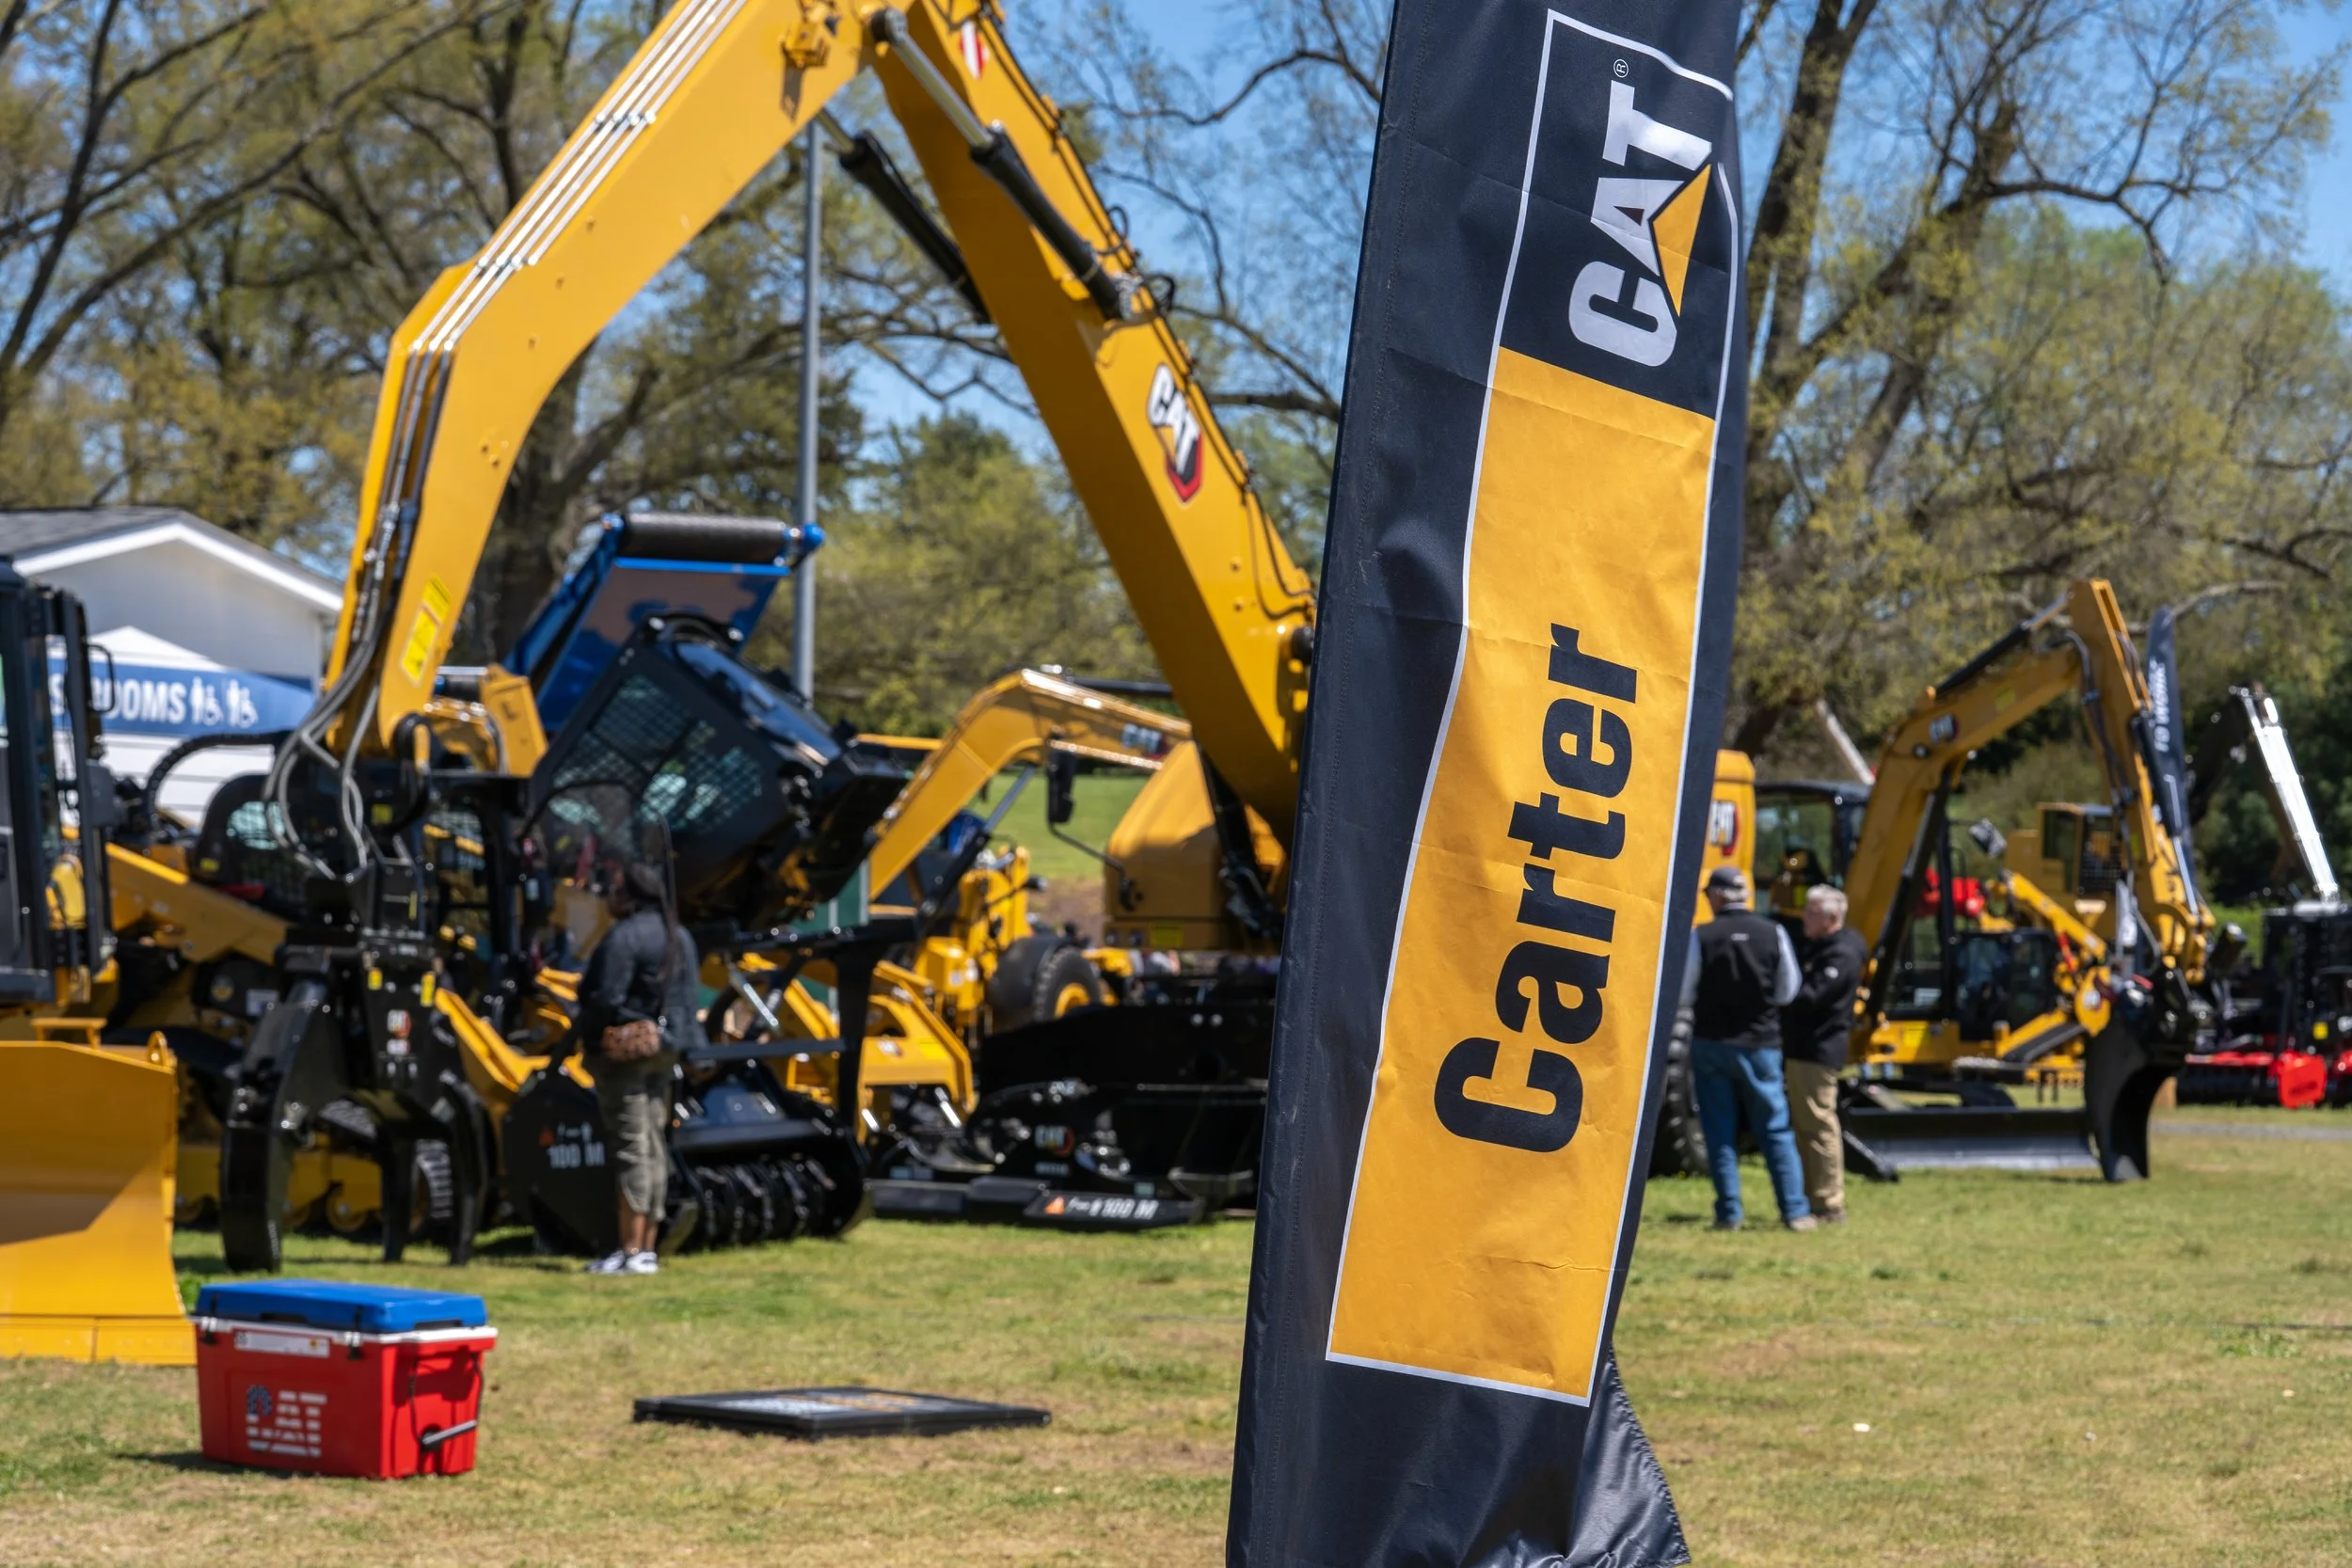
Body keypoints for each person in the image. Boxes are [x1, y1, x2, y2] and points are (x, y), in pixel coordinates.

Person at [559, 860, 705, 1275]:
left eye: (616, 891)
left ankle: (629, 1251)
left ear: (632, 897)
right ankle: (646, 1249)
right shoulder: (679, 935)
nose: (609, 898)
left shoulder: (625, 937)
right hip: (668, 1047)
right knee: (654, 1144)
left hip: (626, 1055)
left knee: (631, 1148)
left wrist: (587, 1028)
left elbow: (604, 997)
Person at [1683, 865, 1812, 1231]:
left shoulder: (1702, 936)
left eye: (1709, 895)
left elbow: (1684, 994)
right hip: (1761, 1045)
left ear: (1719, 896)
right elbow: (1788, 990)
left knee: (1718, 1131)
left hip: (1711, 1043)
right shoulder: (1774, 933)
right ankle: (1795, 1210)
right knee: (1774, 1129)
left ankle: (1729, 1213)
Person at [1782, 883, 1867, 1225]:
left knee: (1818, 1124)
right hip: (1806, 1048)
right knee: (1807, 1124)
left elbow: (1811, 997)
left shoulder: (1841, 953)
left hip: (1818, 1049)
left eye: (1812, 911)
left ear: (1831, 917)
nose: (1805, 916)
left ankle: (1829, 1203)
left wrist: (1779, 996)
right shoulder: (1825, 946)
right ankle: (1813, 1196)